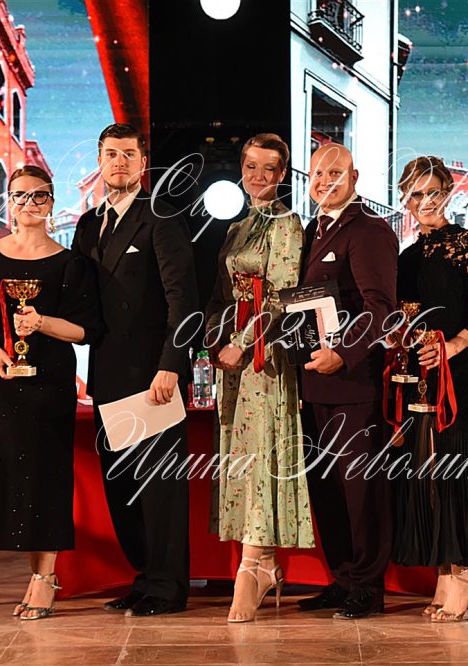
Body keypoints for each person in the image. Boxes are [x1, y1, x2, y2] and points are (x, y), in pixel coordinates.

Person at [0, 165, 104, 621]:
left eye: (39, 196)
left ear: (51, 203)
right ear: (8, 202)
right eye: (20, 196)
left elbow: (86, 331)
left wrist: (42, 323)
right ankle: (36, 574)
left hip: (49, 384)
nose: (29, 204)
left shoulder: (71, 264)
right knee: (13, 475)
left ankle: (45, 578)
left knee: (47, 475)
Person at [72, 123, 198, 616]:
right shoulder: (88, 225)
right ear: (99, 162)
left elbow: (182, 301)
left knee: (159, 490)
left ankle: (168, 588)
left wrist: (171, 366)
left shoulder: (161, 217)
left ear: (143, 163)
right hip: (107, 377)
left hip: (152, 380)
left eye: (128, 154)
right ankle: (146, 579)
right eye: (111, 154)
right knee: (122, 487)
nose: (119, 162)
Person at [205, 133, 315, 623]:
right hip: (232, 359)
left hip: (264, 359)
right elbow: (221, 293)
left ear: (282, 174)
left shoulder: (287, 224)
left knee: (263, 452)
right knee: (242, 457)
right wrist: (214, 341)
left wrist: (243, 342)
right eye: (251, 166)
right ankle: (263, 564)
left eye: (269, 169)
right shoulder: (239, 225)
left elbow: (280, 297)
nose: (258, 176)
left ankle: (252, 567)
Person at [391, 156, 468, 622]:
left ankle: (463, 573)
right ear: (406, 199)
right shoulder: (406, 256)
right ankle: (444, 573)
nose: (425, 202)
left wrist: (454, 345)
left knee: (453, 469)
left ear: (448, 194)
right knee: (424, 473)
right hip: (414, 376)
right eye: (416, 194)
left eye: (434, 193)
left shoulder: (465, 244)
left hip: (454, 377)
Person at [296, 143, 398, 620]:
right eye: (318, 173)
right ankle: (342, 579)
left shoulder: (370, 230)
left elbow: (381, 308)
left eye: (335, 172)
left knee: (360, 490)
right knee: (328, 490)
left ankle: (368, 587)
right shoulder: (310, 232)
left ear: (354, 177)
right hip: (314, 383)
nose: (325, 181)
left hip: (353, 384)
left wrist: (343, 353)